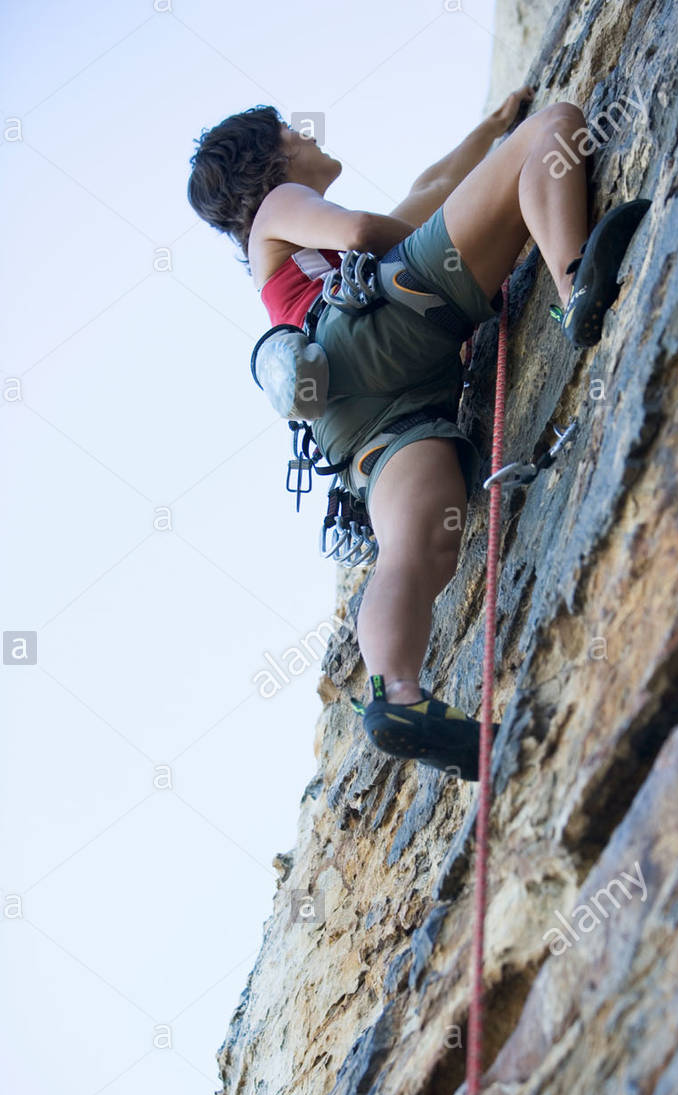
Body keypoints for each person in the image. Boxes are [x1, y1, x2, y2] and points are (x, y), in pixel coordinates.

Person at [187, 96, 649, 780]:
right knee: (553, 129)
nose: (305, 132)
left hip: (358, 418)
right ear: (270, 158)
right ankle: (575, 282)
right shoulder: (277, 206)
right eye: (289, 130)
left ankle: (396, 694)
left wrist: (491, 128)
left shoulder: (285, 252)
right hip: (376, 328)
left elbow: (432, 188)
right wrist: (456, 218)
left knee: (417, 549)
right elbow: (365, 230)